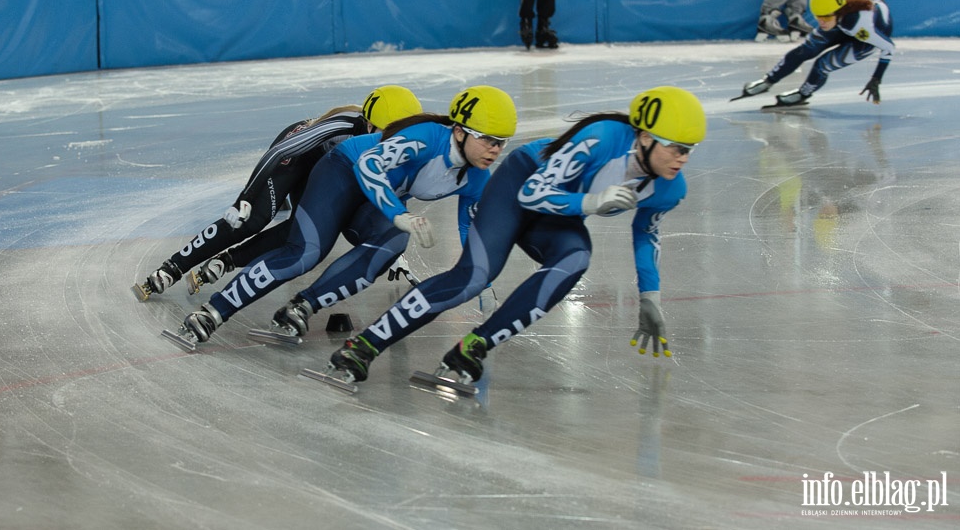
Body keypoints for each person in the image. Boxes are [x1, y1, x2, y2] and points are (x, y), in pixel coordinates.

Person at [323, 86, 707, 387]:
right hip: (521, 184)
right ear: (643, 137)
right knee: (473, 276)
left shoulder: (670, 188)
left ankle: (472, 348)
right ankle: (365, 345)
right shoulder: (603, 138)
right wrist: (592, 201)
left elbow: (646, 234)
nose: (682, 158)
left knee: (575, 259)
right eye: (675, 147)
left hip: (561, 212)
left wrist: (649, 297)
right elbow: (533, 193)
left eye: (688, 151)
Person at [173, 86, 518, 348]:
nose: (495, 150)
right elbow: (369, 166)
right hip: (342, 174)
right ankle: (214, 310)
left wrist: (483, 282)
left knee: (392, 244)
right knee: (307, 252)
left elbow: (469, 228)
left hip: (374, 200)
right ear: (459, 130)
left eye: (502, 142)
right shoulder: (427, 138)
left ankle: (302, 306)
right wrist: (397, 212)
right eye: (488, 139)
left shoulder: (476, 178)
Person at [132, 85, 423, 302]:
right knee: (254, 219)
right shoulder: (345, 124)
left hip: (327, 173)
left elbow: (385, 200)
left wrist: (387, 247)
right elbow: (282, 151)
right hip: (297, 156)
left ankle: (230, 260)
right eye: (387, 136)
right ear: (370, 126)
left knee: (303, 231)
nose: (393, 147)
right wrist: (245, 197)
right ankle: (173, 267)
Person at [736, 0, 894, 109]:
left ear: (839, 12)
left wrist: (876, 78)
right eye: (818, 17)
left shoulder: (861, 25)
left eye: (825, 17)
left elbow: (888, 47)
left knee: (822, 64)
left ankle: (803, 93)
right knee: (805, 50)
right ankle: (768, 81)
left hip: (864, 40)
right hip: (842, 21)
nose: (821, 22)